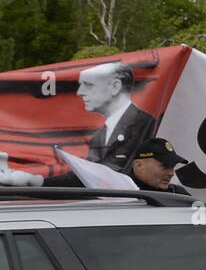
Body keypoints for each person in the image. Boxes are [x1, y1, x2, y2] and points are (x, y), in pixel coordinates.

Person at [0, 137, 190, 194]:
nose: (171, 173)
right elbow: (69, 182)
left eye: (173, 167)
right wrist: (30, 180)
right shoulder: (112, 185)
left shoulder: (178, 196)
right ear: (139, 165)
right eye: (165, 166)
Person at [77, 61, 158, 171]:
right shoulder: (98, 136)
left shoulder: (145, 124)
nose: (80, 92)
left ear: (115, 87)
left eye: (88, 85)